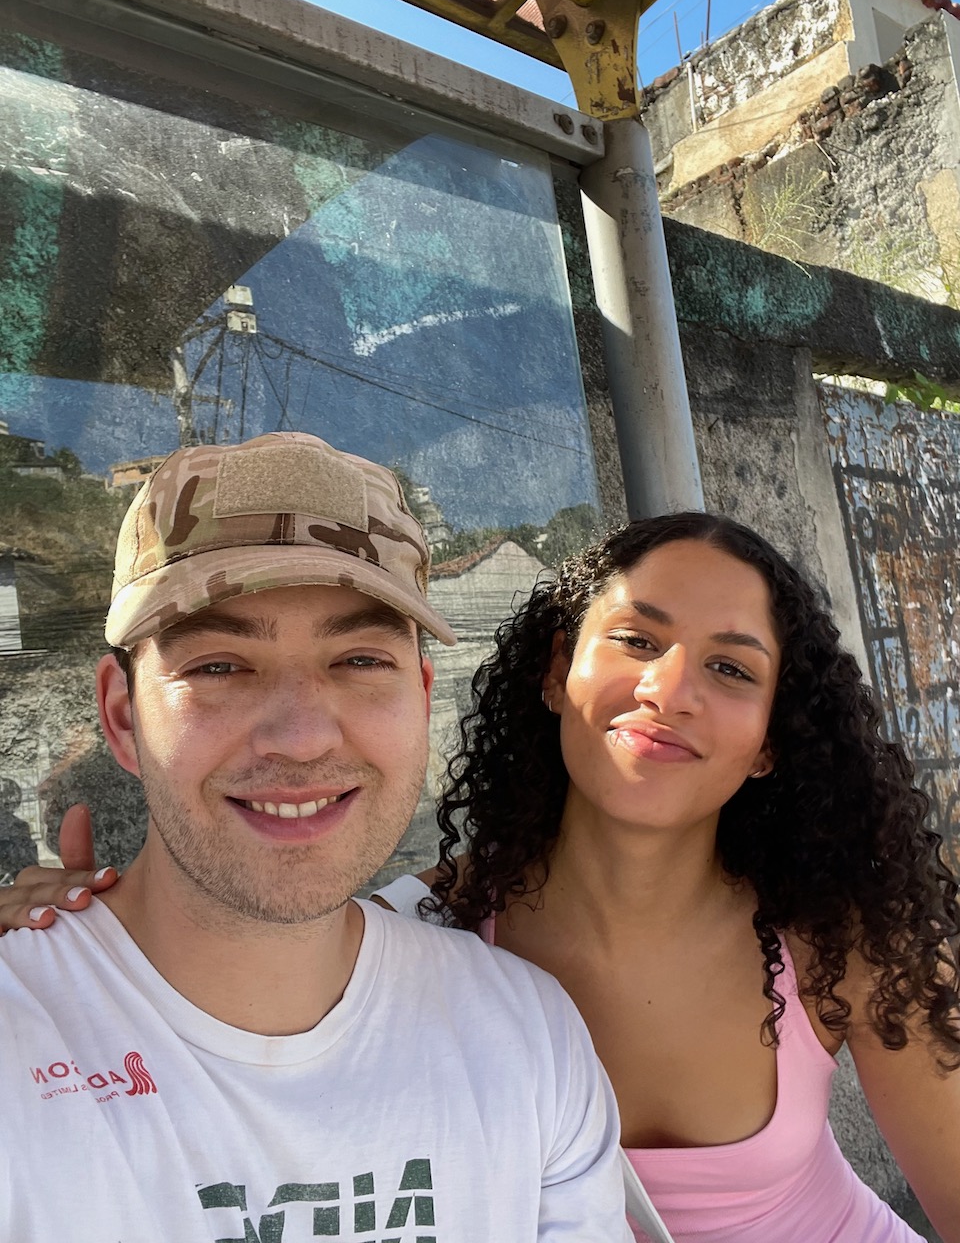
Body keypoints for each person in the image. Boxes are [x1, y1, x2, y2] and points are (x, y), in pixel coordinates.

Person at [7, 513, 960, 1240]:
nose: (669, 690)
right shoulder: (429, 929)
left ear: (770, 743)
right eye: (637, 640)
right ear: (556, 671)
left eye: (733, 670)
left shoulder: (843, 942)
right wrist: (95, 933)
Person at [0, 431, 631, 1242]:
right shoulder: (21, 1042)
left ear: (422, 696)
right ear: (123, 717)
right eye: (219, 666)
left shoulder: (527, 1037)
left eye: (360, 661)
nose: (301, 739)